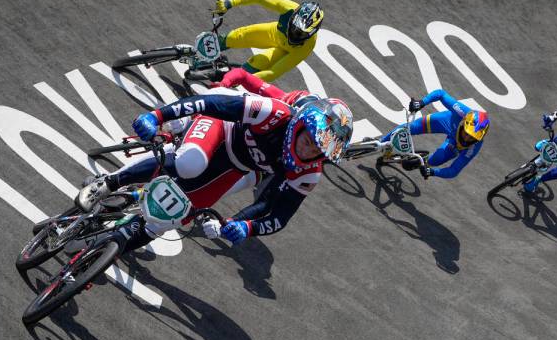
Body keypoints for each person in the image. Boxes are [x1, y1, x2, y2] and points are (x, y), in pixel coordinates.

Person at [75, 93, 353, 250]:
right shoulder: (274, 112)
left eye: (319, 150)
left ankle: (108, 250)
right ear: (302, 123)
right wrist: (157, 116)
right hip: (220, 129)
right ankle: (108, 182)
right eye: (309, 140)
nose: (308, 151)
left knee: (176, 217)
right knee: (189, 163)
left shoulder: (309, 173)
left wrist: (246, 227)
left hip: (234, 166)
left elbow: (279, 213)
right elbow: (210, 104)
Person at [212, 0, 323, 82]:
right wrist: (230, 3)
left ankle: (233, 77)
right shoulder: (289, 8)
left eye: (301, 34)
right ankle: (203, 50)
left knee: (257, 64)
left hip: (285, 51)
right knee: (236, 37)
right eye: (294, 27)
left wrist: (240, 78)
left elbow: (272, 73)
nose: (294, 34)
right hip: (275, 34)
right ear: (293, 16)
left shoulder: (307, 46)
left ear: (312, 33)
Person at [381, 89, 490, 179]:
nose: (466, 139)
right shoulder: (463, 112)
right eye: (466, 133)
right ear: (464, 122)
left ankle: (422, 161)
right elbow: (440, 94)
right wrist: (422, 102)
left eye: (471, 138)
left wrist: (432, 172)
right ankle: (381, 142)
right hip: (447, 122)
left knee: (437, 159)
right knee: (408, 128)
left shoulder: (474, 147)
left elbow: (454, 171)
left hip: (453, 144)